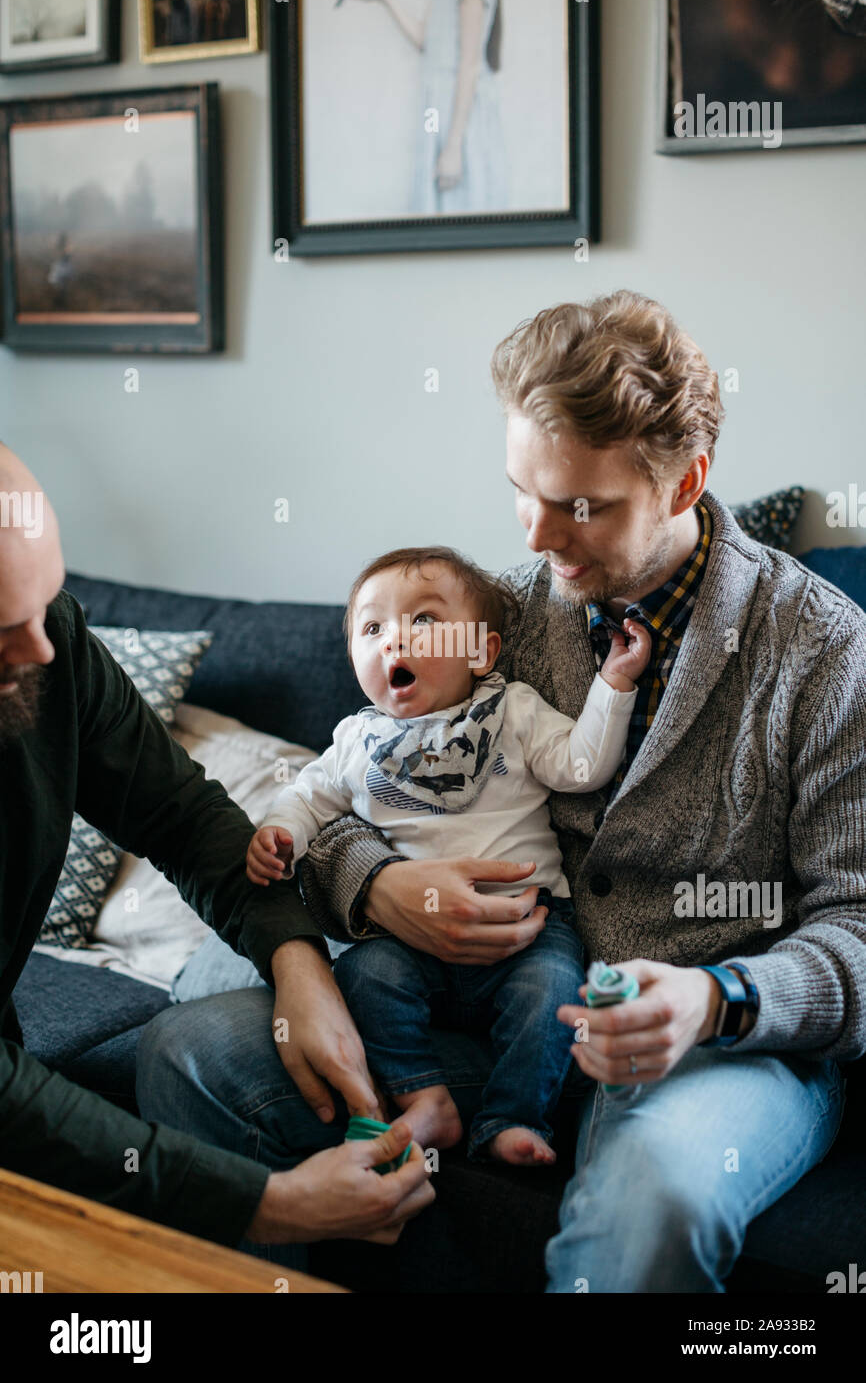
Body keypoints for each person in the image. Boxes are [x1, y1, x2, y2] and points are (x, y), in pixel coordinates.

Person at [138, 290, 865, 1291]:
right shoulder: (503, 611)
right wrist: (375, 884)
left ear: (684, 480)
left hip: (719, 1045)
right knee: (192, 1047)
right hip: (505, 1015)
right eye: (521, 491)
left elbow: (856, 925)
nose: (538, 538)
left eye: (580, 506)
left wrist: (713, 997)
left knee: (655, 1195)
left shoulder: (821, 649)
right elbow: (355, 774)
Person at [0, 446, 434, 1259]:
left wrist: (297, 962)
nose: (46, 653)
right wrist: (266, 1206)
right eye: (3, 632)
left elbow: (182, 815)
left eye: (49, 602)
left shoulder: (46, 641)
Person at [245, 545, 650, 1165]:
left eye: (424, 620)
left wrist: (613, 685)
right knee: (365, 978)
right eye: (372, 627)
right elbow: (308, 798)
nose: (393, 640)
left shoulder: (510, 709)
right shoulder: (358, 741)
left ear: (481, 652)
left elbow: (581, 766)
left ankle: (515, 1119)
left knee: (556, 993)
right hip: (408, 940)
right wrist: (281, 833)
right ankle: (423, 1097)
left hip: (530, 927)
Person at [339, 0, 507, 213]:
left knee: (462, 201)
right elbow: (427, 41)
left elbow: (469, 66)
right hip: (436, 109)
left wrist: (453, 147)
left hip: (461, 118)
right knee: (431, 188)